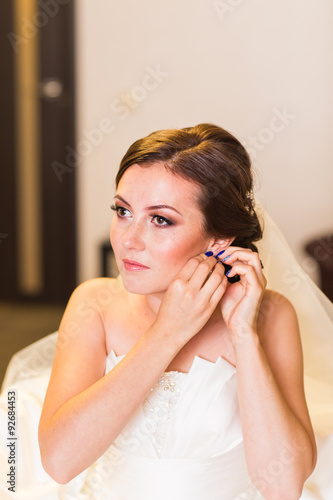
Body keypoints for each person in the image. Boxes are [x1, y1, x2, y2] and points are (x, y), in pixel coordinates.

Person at [35, 123, 320, 499]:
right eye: (122, 211)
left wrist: (243, 335)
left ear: (219, 240)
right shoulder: (94, 304)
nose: (127, 240)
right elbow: (59, 463)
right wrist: (167, 331)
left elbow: (283, 487)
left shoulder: (270, 315)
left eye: (160, 219)